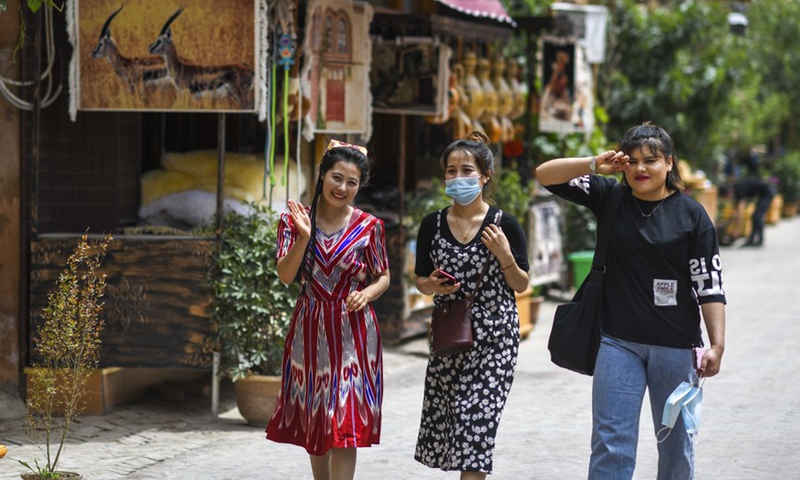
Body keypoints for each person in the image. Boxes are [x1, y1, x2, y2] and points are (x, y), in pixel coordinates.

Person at [535, 122, 726, 480]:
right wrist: (594, 163)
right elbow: (546, 175)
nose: (641, 169)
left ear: (669, 163)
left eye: (651, 160)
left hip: (675, 344)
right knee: (611, 442)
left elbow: (709, 283)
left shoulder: (691, 214)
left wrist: (717, 343)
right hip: (617, 342)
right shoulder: (610, 196)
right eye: (633, 161)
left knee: (675, 443)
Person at [266, 139, 391, 480]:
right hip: (311, 328)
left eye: (352, 182)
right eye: (337, 177)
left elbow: (383, 276)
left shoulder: (370, 226)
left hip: (354, 332)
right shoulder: (292, 221)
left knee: (345, 418)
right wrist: (304, 237)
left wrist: (368, 293)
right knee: (316, 418)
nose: (343, 188)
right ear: (322, 175)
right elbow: (285, 275)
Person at [413, 131, 530, 479]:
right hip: (450, 339)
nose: (458, 177)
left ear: (484, 176)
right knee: (452, 428)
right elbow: (419, 280)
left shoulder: (503, 224)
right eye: (451, 171)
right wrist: (430, 284)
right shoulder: (431, 225)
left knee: (474, 428)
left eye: (467, 170)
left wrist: (506, 255)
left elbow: (522, 284)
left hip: (495, 341)